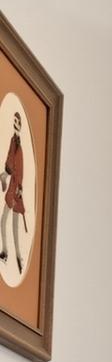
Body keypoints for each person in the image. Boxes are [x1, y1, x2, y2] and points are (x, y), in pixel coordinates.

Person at [2, 112, 27, 274]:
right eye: (14, 121)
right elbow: (9, 161)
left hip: (16, 189)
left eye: (16, 122)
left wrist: (19, 188)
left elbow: (20, 170)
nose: (14, 123)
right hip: (12, 187)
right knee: (4, 221)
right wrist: (5, 174)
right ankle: (5, 252)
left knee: (13, 226)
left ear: (20, 125)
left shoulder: (20, 147)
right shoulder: (13, 141)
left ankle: (18, 257)